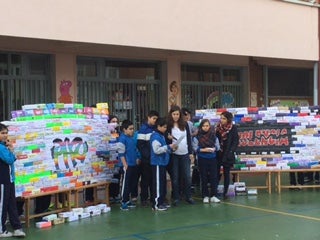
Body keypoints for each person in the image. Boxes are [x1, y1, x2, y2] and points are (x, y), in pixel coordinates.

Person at [0, 123, 26, 237]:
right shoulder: (1, 148)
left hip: (10, 179)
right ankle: (1, 230)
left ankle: (17, 228)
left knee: (12, 204)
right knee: (2, 205)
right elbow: (9, 160)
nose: (5, 135)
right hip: (2, 181)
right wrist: (12, 150)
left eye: (6, 133)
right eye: (2, 133)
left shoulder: (4, 146)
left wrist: (10, 148)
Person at [166, 106, 194, 206]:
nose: (176, 116)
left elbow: (189, 139)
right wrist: (168, 138)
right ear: (171, 115)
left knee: (187, 176)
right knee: (175, 177)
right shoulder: (168, 125)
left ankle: (188, 196)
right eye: (174, 114)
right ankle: (176, 198)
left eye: (177, 114)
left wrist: (191, 153)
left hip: (185, 154)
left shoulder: (185, 124)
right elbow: (166, 140)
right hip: (174, 155)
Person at [150, 117, 177, 211]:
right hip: (157, 163)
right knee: (157, 184)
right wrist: (168, 147)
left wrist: (170, 148)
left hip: (162, 163)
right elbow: (156, 150)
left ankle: (161, 201)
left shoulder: (161, 135)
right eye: (164, 127)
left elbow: (164, 148)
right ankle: (156, 204)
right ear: (158, 126)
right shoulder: (155, 136)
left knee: (162, 183)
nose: (165, 129)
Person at [193, 119, 221, 203]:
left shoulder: (214, 136)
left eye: (207, 126)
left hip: (212, 158)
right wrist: (204, 150)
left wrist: (213, 149)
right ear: (201, 127)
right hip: (202, 158)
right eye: (204, 126)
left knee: (214, 177)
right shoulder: (197, 137)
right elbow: (195, 148)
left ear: (209, 126)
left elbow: (218, 147)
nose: (205, 127)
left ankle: (214, 195)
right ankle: (205, 196)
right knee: (203, 177)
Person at [137, 110, 159, 206]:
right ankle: (143, 198)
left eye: (156, 119)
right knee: (145, 179)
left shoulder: (156, 128)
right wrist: (147, 156)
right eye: (153, 118)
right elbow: (140, 145)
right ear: (148, 117)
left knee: (153, 179)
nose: (155, 120)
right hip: (146, 159)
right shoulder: (143, 129)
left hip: (155, 158)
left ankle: (153, 197)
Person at [216, 111, 239, 200]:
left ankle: (225, 192)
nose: (222, 120)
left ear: (228, 119)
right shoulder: (217, 128)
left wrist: (231, 152)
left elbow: (235, 141)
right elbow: (215, 139)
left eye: (224, 118)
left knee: (226, 173)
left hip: (228, 153)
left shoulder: (233, 128)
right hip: (219, 153)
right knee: (216, 173)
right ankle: (215, 191)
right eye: (221, 118)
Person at [117, 120, 139, 211]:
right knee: (125, 183)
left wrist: (137, 158)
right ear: (124, 130)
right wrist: (125, 164)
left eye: (133, 129)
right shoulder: (122, 139)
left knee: (131, 183)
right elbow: (121, 153)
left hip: (133, 164)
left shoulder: (131, 138)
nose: (132, 130)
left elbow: (134, 150)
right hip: (126, 165)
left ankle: (127, 200)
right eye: (130, 129)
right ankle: (123, 201)